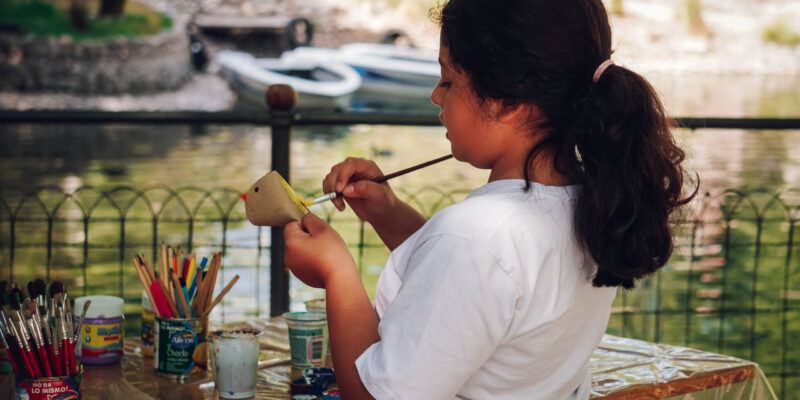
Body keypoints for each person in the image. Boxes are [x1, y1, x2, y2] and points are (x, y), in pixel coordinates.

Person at [283, 0, 696, 398]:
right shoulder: (589, 203)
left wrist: (336, 272)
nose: (436, 96)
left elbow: (374, 396)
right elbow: (478, 291)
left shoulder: (476, 239)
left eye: (448, 80)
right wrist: (388, 214)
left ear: (510, 102)